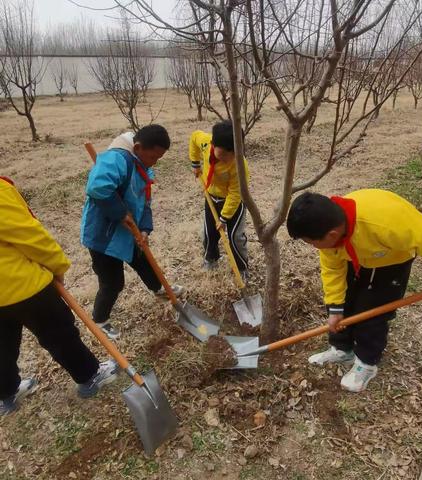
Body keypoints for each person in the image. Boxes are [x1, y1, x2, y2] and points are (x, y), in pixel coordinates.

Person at [287, 189, 422, 392]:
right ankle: (342, 349)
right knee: (346, 302)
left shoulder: (386, 223)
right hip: (354, 254)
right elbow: (332, 270)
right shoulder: (331, 236)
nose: (313, 247)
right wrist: (335, 309)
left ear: (331, 234)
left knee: (371, 313)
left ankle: (367, 363)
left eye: (311, 242)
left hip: (390, 260)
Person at [0, 177, 119, 416]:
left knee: (2, 345)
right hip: (21, 284)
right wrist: (57, 265)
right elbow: (28, 235)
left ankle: (6, 394)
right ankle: (90, 376)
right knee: (59, 334)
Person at [81, 125, 184, 340]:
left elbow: (145, 200)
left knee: (144, 260)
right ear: (137, 147)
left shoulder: (143, 167)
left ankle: (159, 289)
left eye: (159, 158)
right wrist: (121, 213)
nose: (155, 162)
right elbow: (97, 187)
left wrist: (145, 228)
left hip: (128, 231)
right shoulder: (117, 158)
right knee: (113, 282)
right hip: (104, 236)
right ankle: (100, 320)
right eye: (153, 157)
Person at [189, 120, 249, 279]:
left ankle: (242, 268)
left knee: (235, 237)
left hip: (232, 203)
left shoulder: (239, 165)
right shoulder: (205, 142)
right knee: (209, 233)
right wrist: (195, 163)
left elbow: (236, 193)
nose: (227, 159)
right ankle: (211, 259)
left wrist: (224, 217)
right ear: (213, 145)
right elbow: (194, 137)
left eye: (231, 155)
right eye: (222, 156)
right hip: (211, 197)